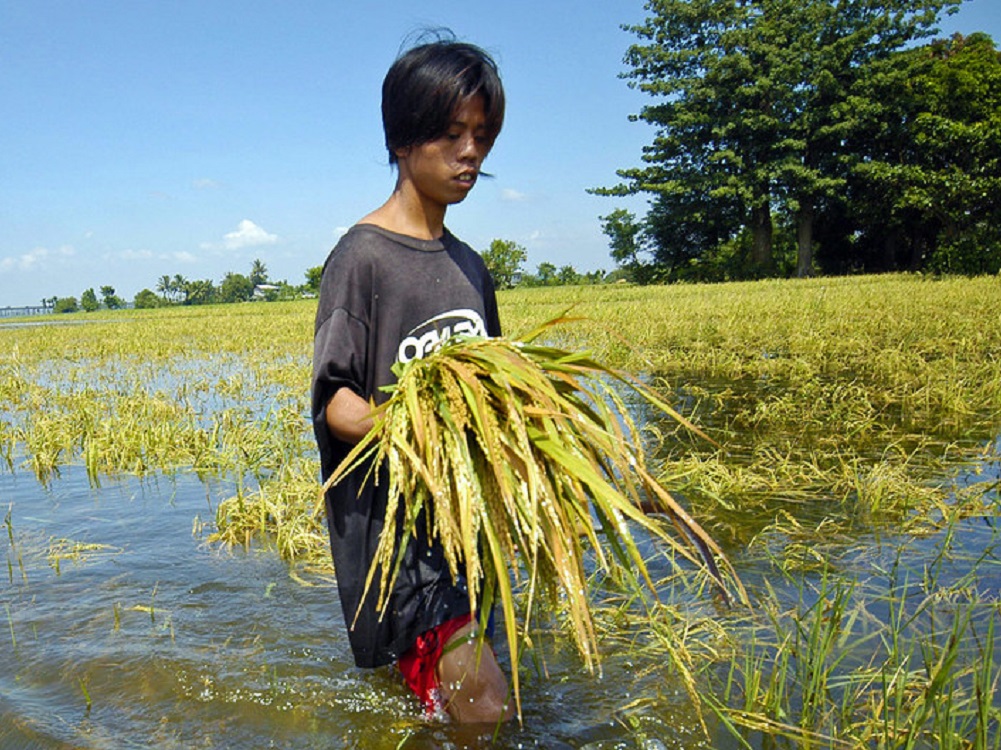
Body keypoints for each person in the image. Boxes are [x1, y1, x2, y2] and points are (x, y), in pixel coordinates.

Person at [310, 35, 515, 725]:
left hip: (467, 527)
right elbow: (335, 400)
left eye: (481, 135)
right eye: (451, 134)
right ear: (402, 141)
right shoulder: (362, 258)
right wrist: (416, 419)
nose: (470, 153)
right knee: (482, 708)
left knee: (451, 711)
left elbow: (492, 389)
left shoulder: (470, 268)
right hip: (400, 538)